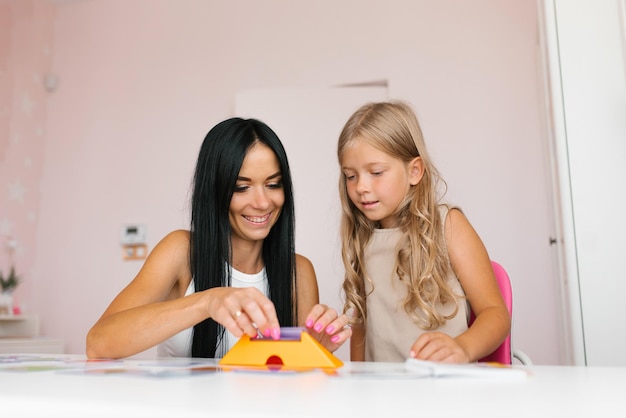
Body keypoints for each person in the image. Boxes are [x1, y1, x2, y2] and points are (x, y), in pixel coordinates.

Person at [87, 117, 351, 359]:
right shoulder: (181, 251)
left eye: (273, 185)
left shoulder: (299, 272)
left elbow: (294, 382)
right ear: (215, 190)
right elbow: (98, 344)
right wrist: (207, 301)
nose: (262, 202)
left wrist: (315, 352)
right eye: (241, 187)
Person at [337, 100, 510, 364]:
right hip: (385, 395)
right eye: (351, 176)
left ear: (414, 171)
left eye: (376, 172)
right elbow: (361, 329)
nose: (361, 186)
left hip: (443, 390)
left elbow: (495, 314)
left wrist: (462, 348)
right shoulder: (364, 240)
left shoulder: (448, 225)